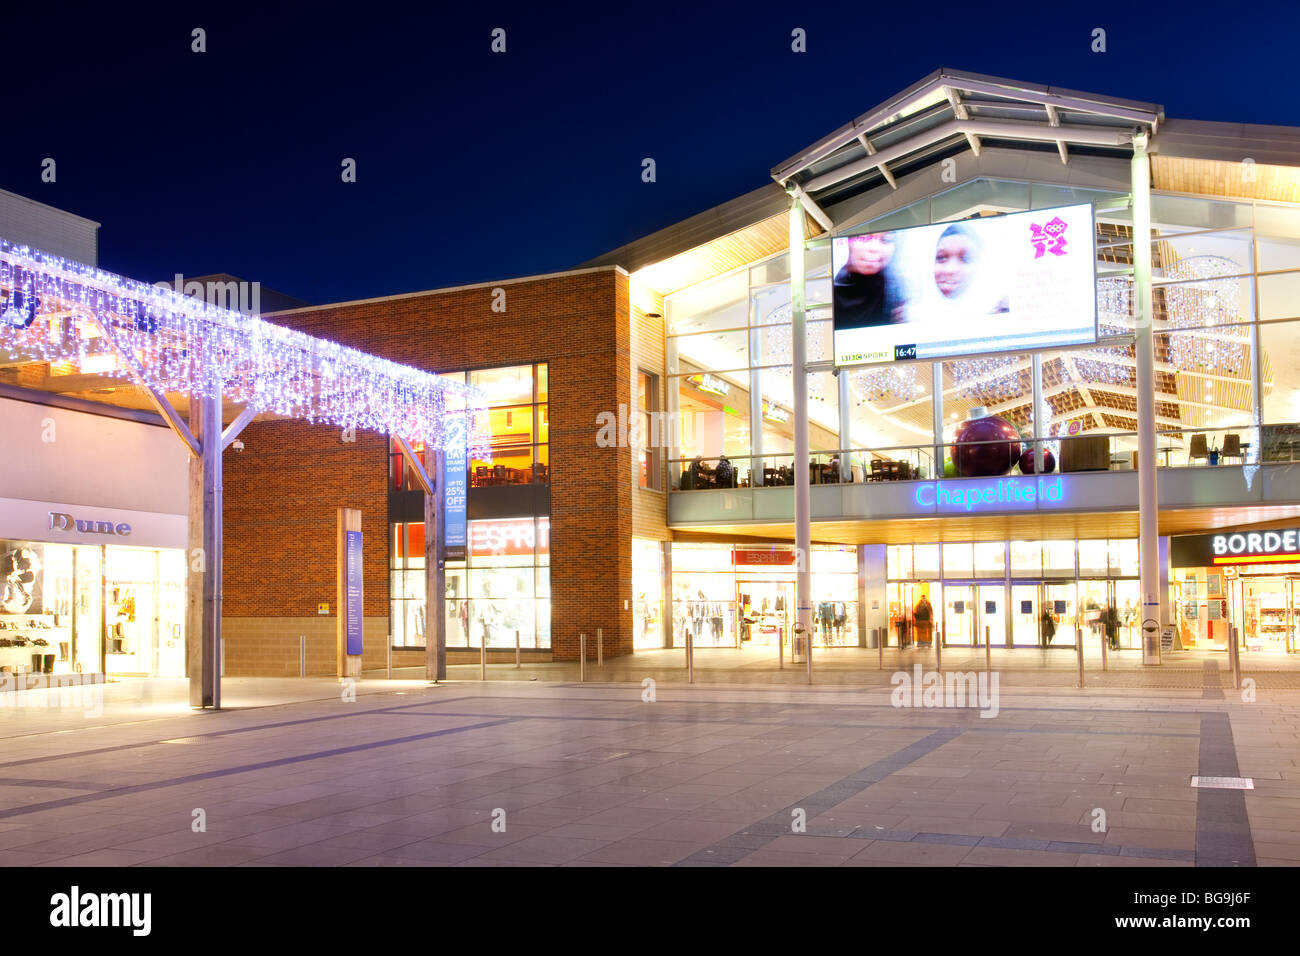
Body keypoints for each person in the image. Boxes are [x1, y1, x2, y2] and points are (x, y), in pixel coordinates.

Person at [833, 233, 908, 328]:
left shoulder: (898, 292)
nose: (874, 248)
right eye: (864, 238)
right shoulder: (830, 290)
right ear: (848, 242)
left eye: (886, 240)